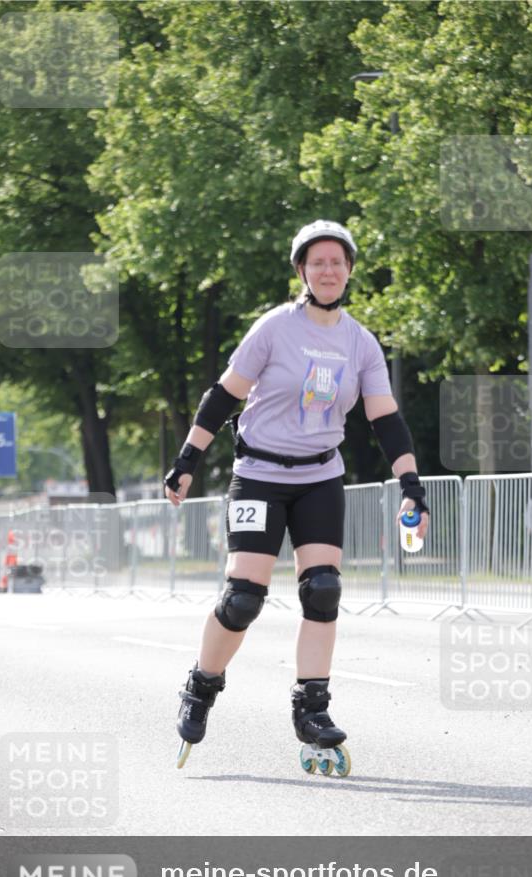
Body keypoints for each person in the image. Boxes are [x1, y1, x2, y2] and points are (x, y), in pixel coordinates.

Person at [164, 220, 429, 776]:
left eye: (337, 262)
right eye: (317, 262)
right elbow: (223, 396)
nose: (328, 270)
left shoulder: (360, 343)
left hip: (319, 476)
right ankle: (202, 684)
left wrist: (412, 486)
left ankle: (312, 708)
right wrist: (187, 462)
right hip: (259, 475)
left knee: (323, 590)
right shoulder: (274, 328)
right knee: (243, 599)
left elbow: (385, 419)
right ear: (302, 271)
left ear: (349, 271)